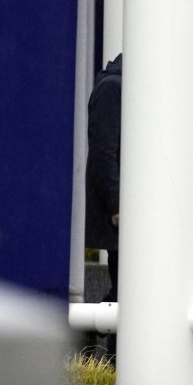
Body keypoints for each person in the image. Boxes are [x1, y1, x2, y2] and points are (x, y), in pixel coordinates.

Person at [86, 54, 123, 302]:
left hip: (133, 215)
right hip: (123, 216)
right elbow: (103, 153)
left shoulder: (121, 86)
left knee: (126, 296)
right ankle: (91, 334)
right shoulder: (113, 88)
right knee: (126, 297)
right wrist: (118, 205)